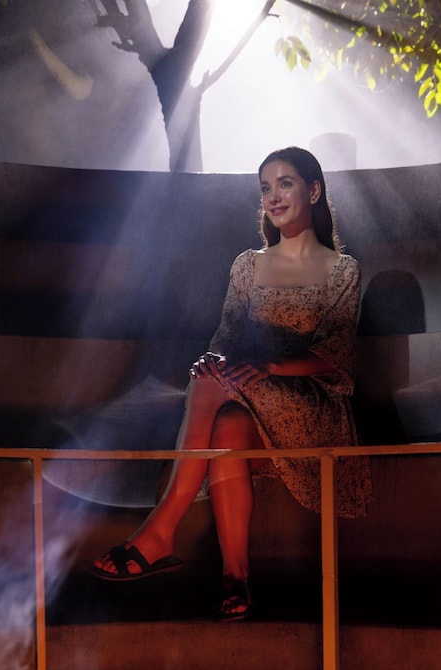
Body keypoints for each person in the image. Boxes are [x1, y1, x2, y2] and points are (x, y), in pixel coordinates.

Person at [92, 146, 373, 620]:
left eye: (285, 183)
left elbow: (335, 354)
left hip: (311, 405)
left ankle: (160, 530)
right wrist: (215, 359)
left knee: (211, 387)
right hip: (248, 397)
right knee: (222, 414)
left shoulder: (342, 270)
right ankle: (236, 577)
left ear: (314, 190)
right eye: (266, 187)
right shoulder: (247, 265)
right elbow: (225, 338)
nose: (274, 196)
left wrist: (270, 367)